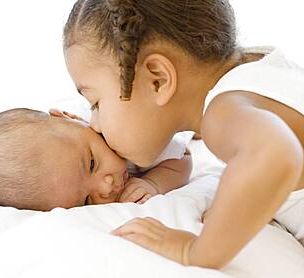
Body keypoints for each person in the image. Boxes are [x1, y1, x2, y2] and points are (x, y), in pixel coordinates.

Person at [61, 0, 304, 269]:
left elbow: (275, 154)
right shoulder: (259, 70)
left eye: (96, 103)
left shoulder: (221, 113)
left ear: (158, 79)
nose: (94, 124)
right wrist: (237, 209)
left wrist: (196, 251)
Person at [0, 108, 191, 211]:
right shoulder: (68, 146)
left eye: (92, 163)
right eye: (87, 200)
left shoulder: (130, 136)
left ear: (70, 116)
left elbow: (184, 156)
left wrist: (154, 182)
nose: (106, 187)